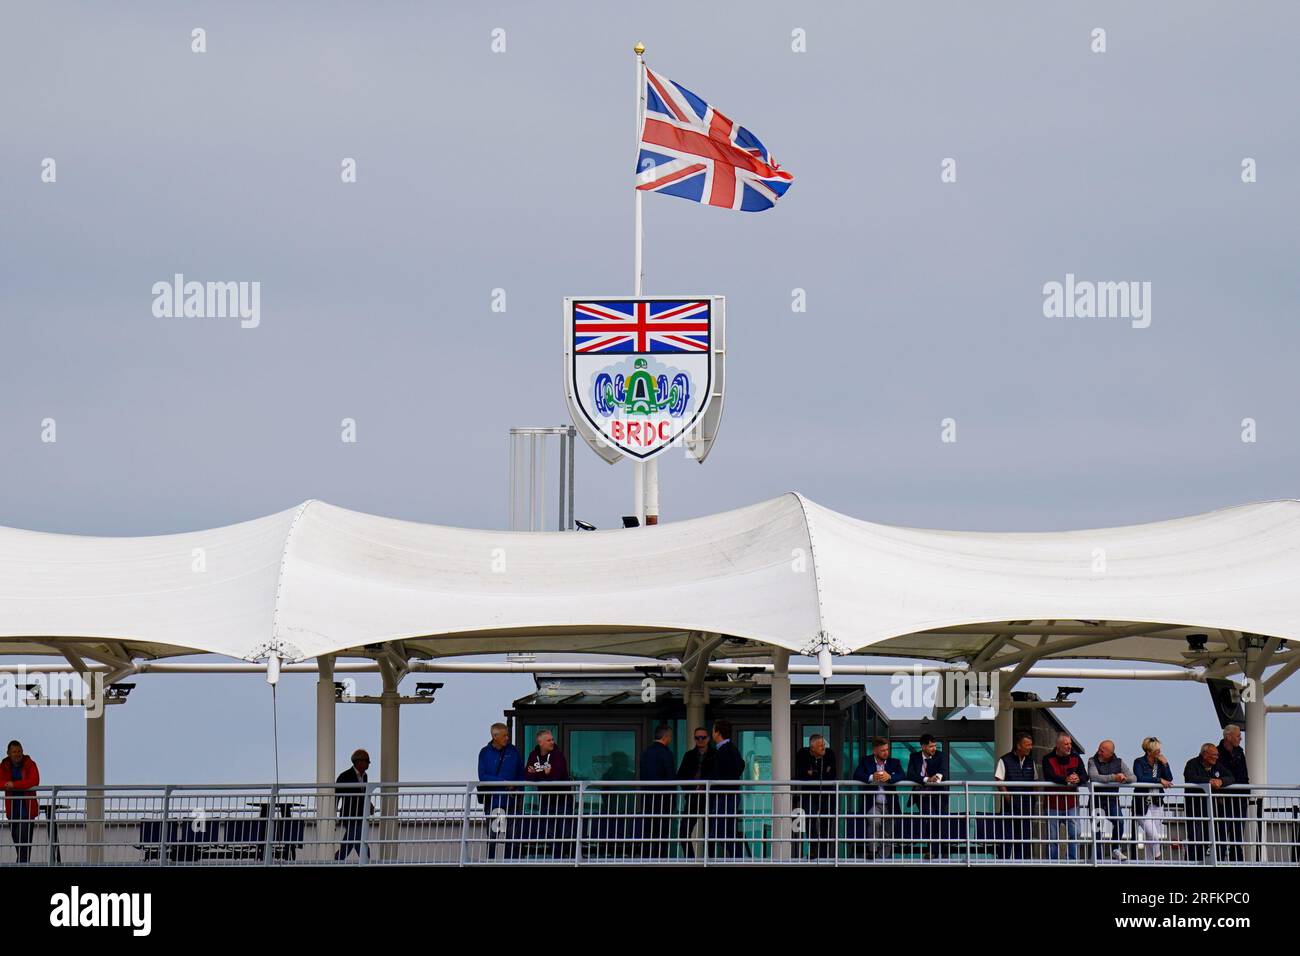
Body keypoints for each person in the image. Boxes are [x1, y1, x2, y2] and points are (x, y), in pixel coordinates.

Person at [477, 723, 523, 860]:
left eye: (507, 735)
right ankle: (490, 861)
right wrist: (503, 782)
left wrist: (517, 788)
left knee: (512, 835)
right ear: (495, 736)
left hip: (512, 800)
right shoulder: (485, 753)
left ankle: (510, 862)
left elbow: (521, 773)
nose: (507, 738)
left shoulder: (513, 751)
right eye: (504, 736)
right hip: (493, 800)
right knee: (493, 834)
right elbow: (483, 776)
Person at [524, 729, 573, 858]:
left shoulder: (558, 756)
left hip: (563, 800)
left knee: (565, 832)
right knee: (550, 831)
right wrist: (544, 773)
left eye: (552, 739)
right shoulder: (533, 755)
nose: (552, 742)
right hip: (545, 800)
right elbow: (528, 777)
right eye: (549, 740)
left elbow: (555, 778)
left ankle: (567, 858)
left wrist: (538, 774)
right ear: (540, 742)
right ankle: (557, 858)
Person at [853, 737, 904, 859]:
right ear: (875, 751)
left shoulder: (894, 762)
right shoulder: (866, 761)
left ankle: (884, 858)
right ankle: (873, 851)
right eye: (882, 750)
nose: (886, 752)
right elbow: (857, 774)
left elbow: (902, 775)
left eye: (887, 749)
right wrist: (872, 777)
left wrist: (890, 777)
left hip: (890, 803)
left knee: (888, 832)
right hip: (873, 803)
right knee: (874, 820)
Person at [1041, 733, 1089, 861]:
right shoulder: (1047, 759)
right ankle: (1052, 862)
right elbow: (1049, 776)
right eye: (1066, 744)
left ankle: (1072, 860)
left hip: (1071, 804)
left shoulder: (1076, 758)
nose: (1069, 747)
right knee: (1052, 837)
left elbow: (1085, 776)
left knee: (1076, 833)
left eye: (1070, 744)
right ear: (1058, 745)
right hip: (1052, 805)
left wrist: (1078, 779)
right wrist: (1067, 780)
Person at [1184, 743, 1234, 863]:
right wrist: (1209, 781)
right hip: (1196, 809)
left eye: (1217, 755)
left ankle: (1218, 863)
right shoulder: (1192, 764)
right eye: (1214, 755)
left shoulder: (1217, 766)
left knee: (1216, 839)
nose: (1216, 757)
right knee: (1196, 840)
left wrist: (1221, 781)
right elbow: (1191, 777)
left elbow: (1231, 777)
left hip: (1214, 810)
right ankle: (1192, 864)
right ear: (1205, 754)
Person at [993, 731, 1038, 860]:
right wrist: (1010, 799)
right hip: (1009, 809)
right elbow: (999, 780)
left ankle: (1022, 863)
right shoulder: (1005, 760)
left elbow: (1034, 782)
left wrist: (1032, 800)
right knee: (1006, 839)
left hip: (1026, 808)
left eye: (1031, 744)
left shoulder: (1031, 761)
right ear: (1019, 745)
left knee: (1024, 840)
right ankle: (1003, 862)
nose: (1030, 747)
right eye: (1027, 745)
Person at [905, 734, 951, 859]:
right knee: (929, 820)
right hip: (922, 795)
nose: (934, 748)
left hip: (938, 794)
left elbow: (944, 771)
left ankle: (941, 849)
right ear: (923, 746)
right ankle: (932, 850)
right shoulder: (914, 757)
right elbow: (910, 774)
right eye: (931, 746)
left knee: (939, 821)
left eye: (935, 746)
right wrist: (926, 779)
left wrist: (937, 778)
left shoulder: (940, 755)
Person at [793, 734, 838, 860]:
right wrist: (821, 772)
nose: (823, 747)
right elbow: (800, 774)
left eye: (824, 744)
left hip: (827, 794)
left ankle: (824, 853)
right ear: (812, 748)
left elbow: (832, 774)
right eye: (820, 746)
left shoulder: (829, 754)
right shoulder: (802, 753)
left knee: (826, 822)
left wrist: (812, 772)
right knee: (810, 820)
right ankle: (813, 850)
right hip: (809, 793)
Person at [708, 719, 747, 860]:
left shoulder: (726, 750)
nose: (712, 733)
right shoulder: (730, 749)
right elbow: (741, 765)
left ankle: (736, 859)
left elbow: (733, 768)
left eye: (713, 730)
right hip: (727, 795)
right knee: (724, 831)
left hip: (724, 796)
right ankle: (737, 858)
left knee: (721, 831)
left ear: (718, 732)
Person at [1088, 740, 1132, 861]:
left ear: (1110, 753)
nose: (1099, 751)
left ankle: (1115, 849)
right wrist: (1114, 777)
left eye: (1102, 750)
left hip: (1112, 801)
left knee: (1120, 822)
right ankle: (1096, 859)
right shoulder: (1092, 760)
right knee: (1096, 831)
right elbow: (1094, 776)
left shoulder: (1119, 762)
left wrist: (1123, 778)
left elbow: (1133, 777)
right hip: (1096, 801)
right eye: (1099, 748)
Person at [1132, 736, 1174, 861]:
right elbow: (1140, 778)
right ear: (1149, 751)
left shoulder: (1160, 763)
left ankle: (1150, 862)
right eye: (1157, 750)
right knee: (1153, 835)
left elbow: (1169, 778)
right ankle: (1158, 857)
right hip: (1142, 804)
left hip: (1157, 803)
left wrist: (1165, 764)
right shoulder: (1139, 762)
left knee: (1152, 837)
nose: (1159, 752)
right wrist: (1158, 780)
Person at [675, 726, 715, 859]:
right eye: (697, 737)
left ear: (708, 738)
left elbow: (719, 774)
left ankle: (710, 861)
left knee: (711, 835)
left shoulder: (715, 754)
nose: (700, 740)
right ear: (694, 739)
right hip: (693, 799)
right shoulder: (689, 755)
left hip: (711, 799)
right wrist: (692, 788)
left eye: (703, 737)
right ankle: (691, 860)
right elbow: (680, 776)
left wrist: (705, 785)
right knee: (683, 832)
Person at [638, 725, 676, 859]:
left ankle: (647, 857)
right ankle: (660, 857)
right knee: (662, 831)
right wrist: (673, 799)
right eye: (670, 737)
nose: (670, 739)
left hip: (647, 798)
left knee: (648, 831)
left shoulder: (645, 752)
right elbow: (671, 777)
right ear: (665, 737)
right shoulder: (666, 753)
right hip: (663, 799)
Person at [1, 741, 39, 864]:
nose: (17, 754)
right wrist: (7, 785)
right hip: (13, 811)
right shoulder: (4, 766)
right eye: (14, 751)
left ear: (22, 751)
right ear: (8, 753)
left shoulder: (30, 764)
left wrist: (14, 785)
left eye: (19, 751)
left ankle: (20, 865)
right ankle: (22, 864)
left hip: (27, 811)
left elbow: (34, 780)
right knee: (20, 844)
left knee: (24, 843)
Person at [1216, 725, 1249, 862]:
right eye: (1237, 736)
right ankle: (1219, 862)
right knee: (1221, 834)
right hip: (1224, 799)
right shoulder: (1216, 753)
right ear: (1228, 737)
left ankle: (1238, 863)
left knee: (1237, 835)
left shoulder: (1239, 752)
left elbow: (1244, 774)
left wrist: (1247, 792)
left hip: (1240, 799)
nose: (1240, 738)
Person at [333, 748, 373, 862]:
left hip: (360, 815)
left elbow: (363, 793)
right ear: (358, 762)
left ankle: (338, 860)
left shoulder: (364, 776)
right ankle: (366, 860)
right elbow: (337, 795)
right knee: (358, 839)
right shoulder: (345, 776)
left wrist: (369, 804)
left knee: (353, 840)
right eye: (366, 761)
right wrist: (333, 815)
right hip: (349, 814)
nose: (368, 764)